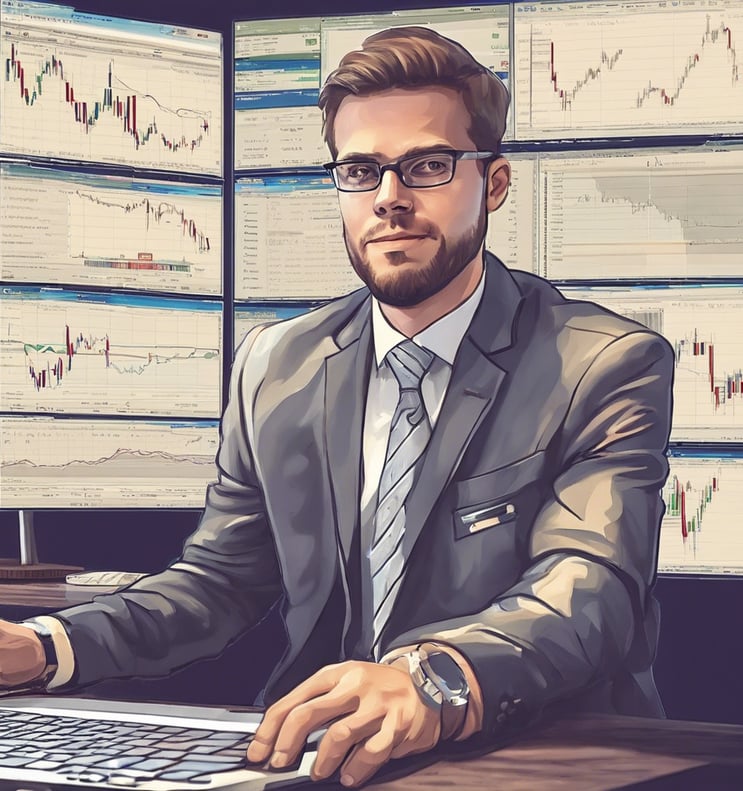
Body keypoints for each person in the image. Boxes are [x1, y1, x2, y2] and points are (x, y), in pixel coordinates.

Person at [0, 26, 675, 789]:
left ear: (493, 183)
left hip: (533, 757)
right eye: (360, 170)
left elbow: (589, 585)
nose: (389, 198)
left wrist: (434, 679)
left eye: (427, 165)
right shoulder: (277, 364)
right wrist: (45, 646)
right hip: (319, 755)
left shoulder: (600, 362)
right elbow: (218, 583)